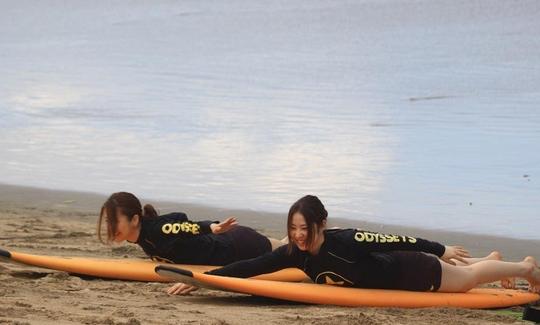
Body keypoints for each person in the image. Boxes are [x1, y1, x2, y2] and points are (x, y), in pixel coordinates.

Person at [167, 195, 540, 295]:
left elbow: (397, 239)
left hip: (413, 270)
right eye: (293, 228)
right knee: (468, 273)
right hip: (395, 277)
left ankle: (526, 268)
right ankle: (496, 260)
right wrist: (205, 278)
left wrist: (439, 249)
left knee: (469, 279)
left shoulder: (346, 239)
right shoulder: (293, 253)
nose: (298, 234)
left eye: (305, 228)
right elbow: (253, 267)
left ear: (321, 224)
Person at [97, 192, 285, 265]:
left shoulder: (158, 229)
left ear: (135, 219)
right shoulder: (140, 234)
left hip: (236, 246)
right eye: (108, 221)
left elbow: (186, 227)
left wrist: (211, 226)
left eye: (114, 221)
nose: (110, 227)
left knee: (287, 249)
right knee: (285, 245)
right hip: (228, 243)